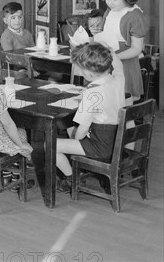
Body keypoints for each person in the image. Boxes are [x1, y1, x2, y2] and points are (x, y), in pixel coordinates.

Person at [54, 42, 125, 193]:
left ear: (88, 74)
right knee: (68, 126)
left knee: (51, 145)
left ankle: (72, 178)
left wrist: (74, 141)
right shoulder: (118, 80)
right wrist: (110, 52)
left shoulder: (91, 94)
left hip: (99, 146)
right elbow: (119, 66)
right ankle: (76, 168)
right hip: (115, 141)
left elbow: (83, 129)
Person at [94, 0, 147, 100]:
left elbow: (136, 49)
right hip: (107, 64)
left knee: (124, 112)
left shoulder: (135, 16)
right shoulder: (110, 11)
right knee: (107, 109)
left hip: (125, 67)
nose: (109, 3)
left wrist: (114, 57)